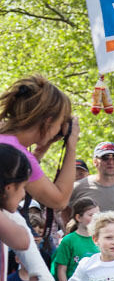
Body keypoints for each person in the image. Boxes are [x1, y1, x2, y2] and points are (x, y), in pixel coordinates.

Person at [0, 74, 79, 209]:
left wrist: (38, 154)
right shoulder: (17, 152)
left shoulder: (6, 142)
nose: (59, 130)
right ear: (48, 121)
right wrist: (71, 146)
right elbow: (59, 201)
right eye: (60, 123)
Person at [67, 141, 114, 219]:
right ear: (95, 162)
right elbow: (64, 210)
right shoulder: (78, 187)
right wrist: (68, 228)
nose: (110, 162)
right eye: (105, 158)